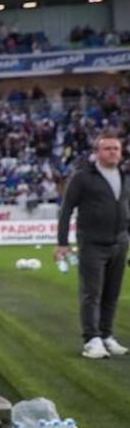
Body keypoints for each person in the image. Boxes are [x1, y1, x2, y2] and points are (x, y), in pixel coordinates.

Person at [55, 132, 130, 359]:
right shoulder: (82, 177)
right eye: (107, 148)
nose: (112, 152)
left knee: (111, 294)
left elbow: (126, 211)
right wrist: (62, 242)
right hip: (92, 244)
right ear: (96, 152)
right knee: (92, 293)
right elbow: (66, 210)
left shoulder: (124, 176)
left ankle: (106, 335)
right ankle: (91, 339)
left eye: (116, 148)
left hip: (120, 243)